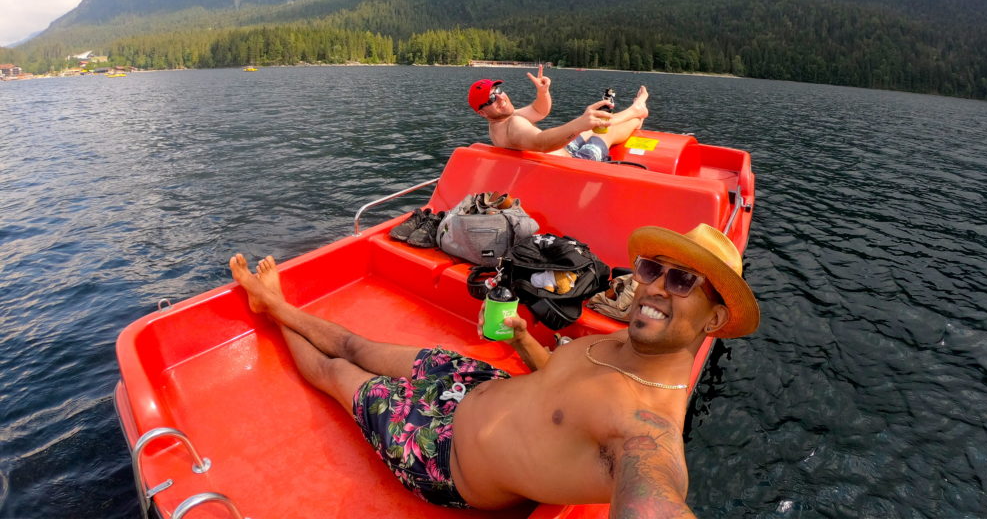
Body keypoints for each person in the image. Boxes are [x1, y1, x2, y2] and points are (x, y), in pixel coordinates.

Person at [229, 222, 759, 517]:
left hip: (445, 457)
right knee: (355, 342)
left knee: (334, 372)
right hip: (479, 384)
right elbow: (562, 389)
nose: (657, 287)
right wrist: (527, 341)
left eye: (684, 280)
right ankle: (279, 307)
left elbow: (654, 500)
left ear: (714, 317)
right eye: (652, 269)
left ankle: (271, 315)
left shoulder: (648, 431)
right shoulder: (630, 340)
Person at [467, 66, 649, 161]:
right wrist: (579, 122)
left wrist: (542, 93)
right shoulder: (512, 126)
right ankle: (637, 113)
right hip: (577, 162)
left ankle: (636, 112)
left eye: (497, 91)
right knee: (605, 131)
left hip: (563, 151)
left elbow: (539, 110)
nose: (500, 98)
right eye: (491, 100)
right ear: (482, 113)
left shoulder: (501, 121)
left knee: (587, 129)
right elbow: (542, 143)